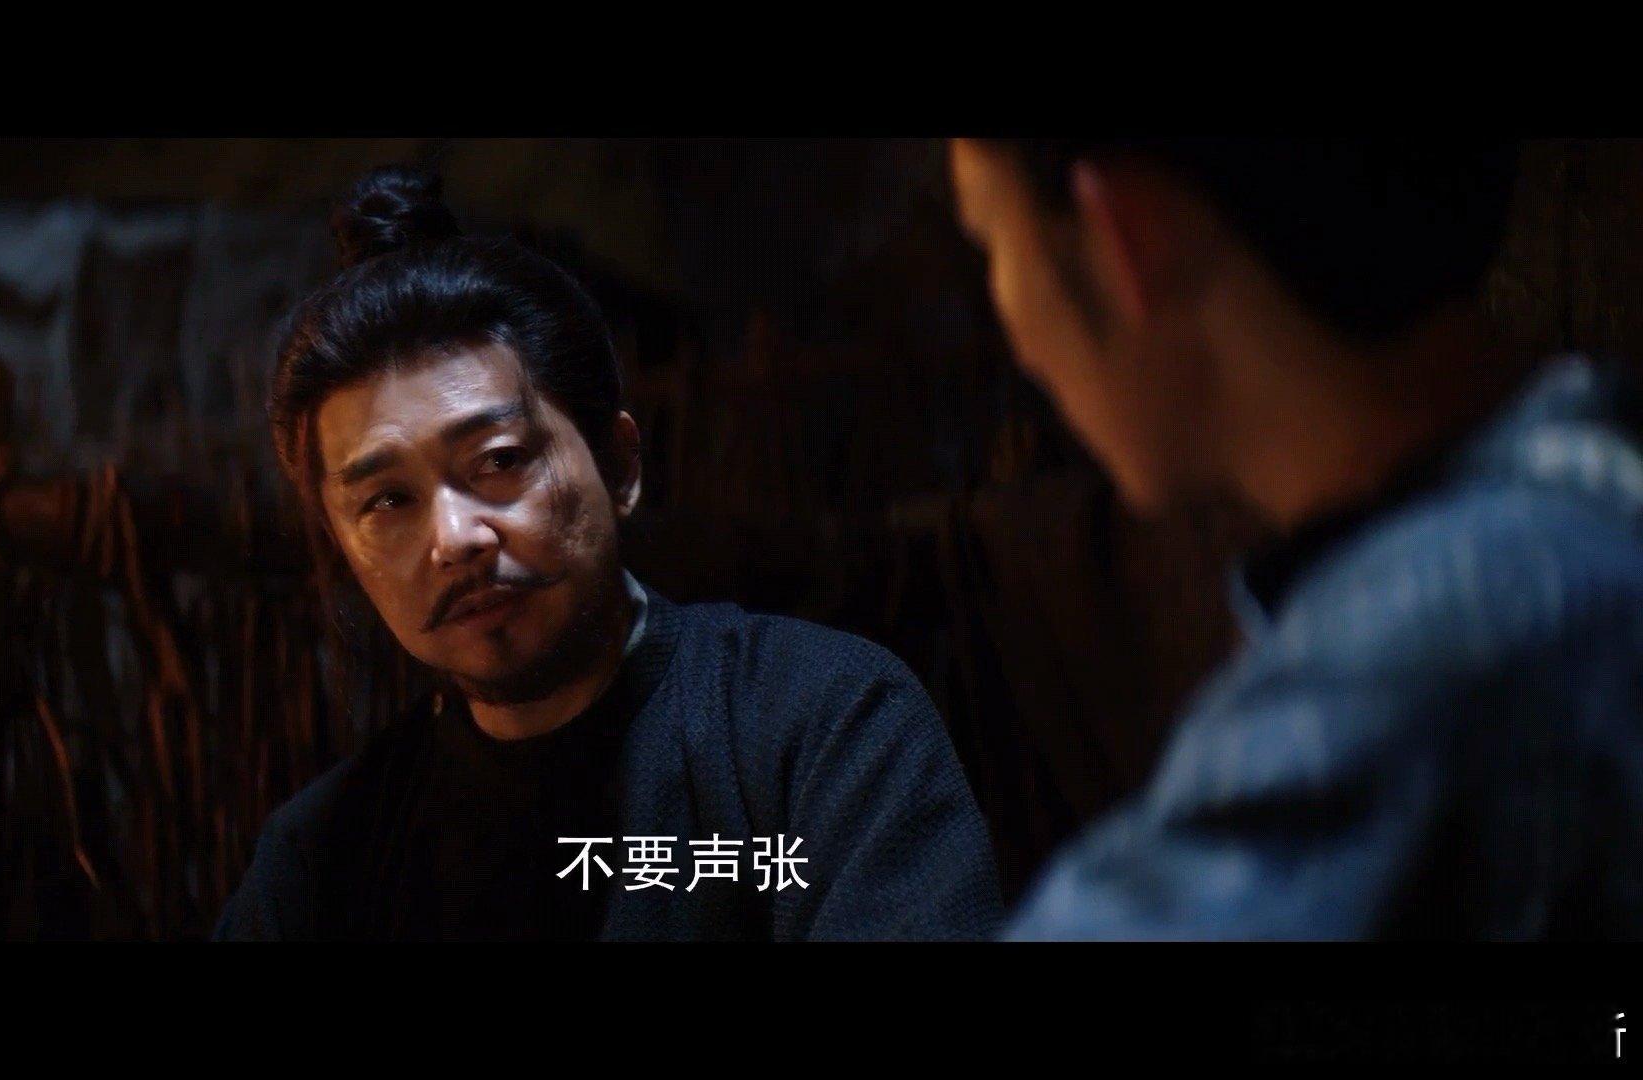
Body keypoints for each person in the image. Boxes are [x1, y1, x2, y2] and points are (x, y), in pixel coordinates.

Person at [214, 166, 1003, 941]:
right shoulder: (324, 861)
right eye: (388, 501)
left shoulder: (816, 726)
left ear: (618, 465)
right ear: (342, 548)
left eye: (499, 461)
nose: (454, 539)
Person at [949, 138, 1643, 939]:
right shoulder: (1585, 491)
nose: (1020, 343)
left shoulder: (1436, 648)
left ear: (1127, 234)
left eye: (992, 243)